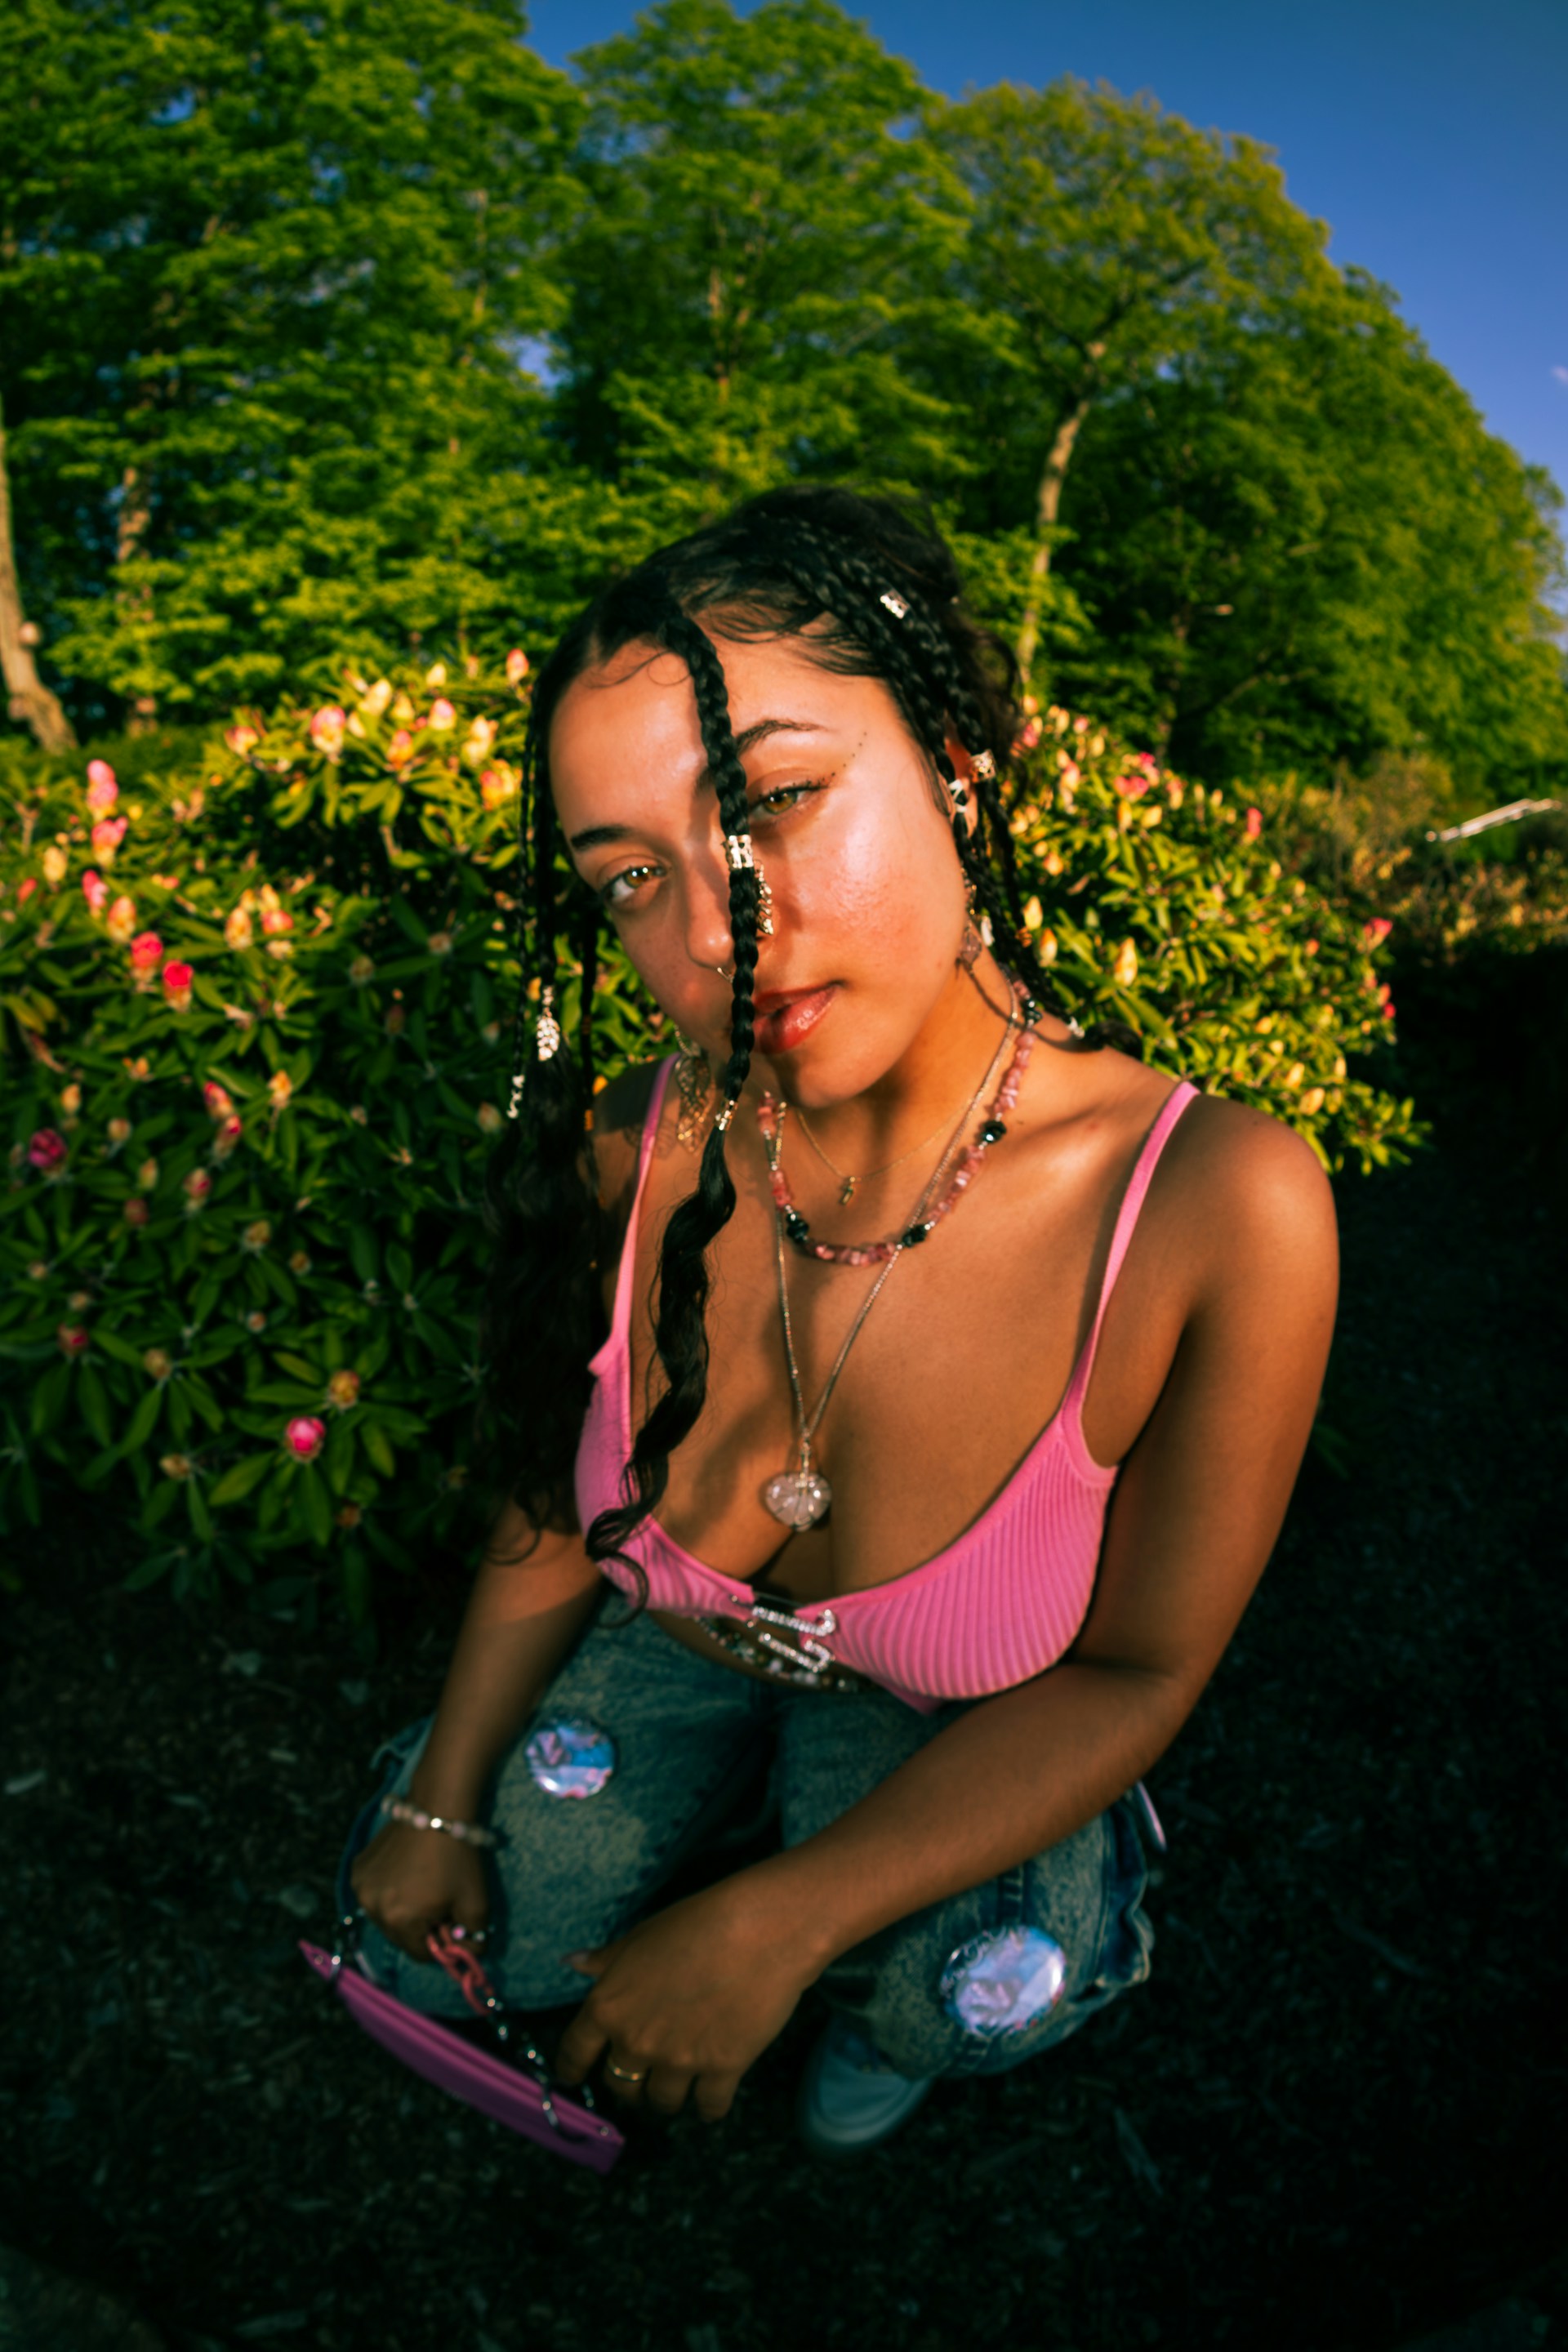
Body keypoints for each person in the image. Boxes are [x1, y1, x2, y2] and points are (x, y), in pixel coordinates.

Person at [346, 486, 1337, 2156]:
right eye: (628, 883)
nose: (715, 936)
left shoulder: (1211, 1206)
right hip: (668, 1644)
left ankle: (860, 1965)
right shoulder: (637, 1151)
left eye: (779, 800)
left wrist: (775, 1928)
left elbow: (1144, 1665)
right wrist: (437, 1794)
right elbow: (542, 1496)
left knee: (968, 1982)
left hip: (968, 1711)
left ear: (957, 754)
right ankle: (723, 1818)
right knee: (459, 1947)